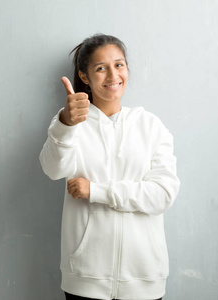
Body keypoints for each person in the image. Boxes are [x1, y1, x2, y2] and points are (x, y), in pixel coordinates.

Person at [39, 34, 180, 300]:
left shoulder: (150, 126)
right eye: (100, 68)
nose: (112, 75)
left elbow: (163, 195)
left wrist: (96, 191)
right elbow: (52, 169)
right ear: (84, 76)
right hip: (85, 279)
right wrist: (66, 124)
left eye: (119, 65)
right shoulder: (70, 123)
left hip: (144, 279)